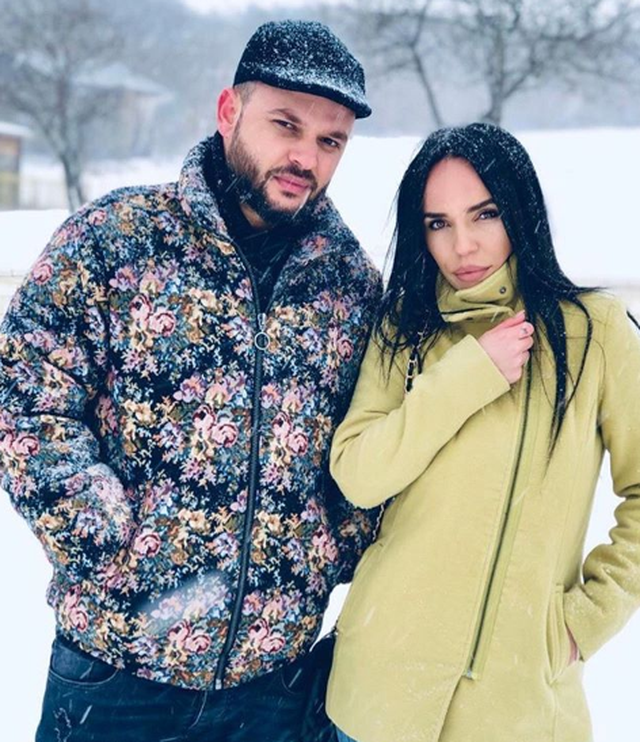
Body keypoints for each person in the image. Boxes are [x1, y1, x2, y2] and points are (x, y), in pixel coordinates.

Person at [0, 20, 382, 742]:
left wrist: (325, 552)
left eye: (330, 141)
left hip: (273, 688)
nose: (306, 157)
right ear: (229, 111)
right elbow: (25, 397)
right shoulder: (116, 238)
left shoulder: (350, 286)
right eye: (286, 125)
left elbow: (374, 435)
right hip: (116, 675)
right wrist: (109, 546)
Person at [325, 122, 640, 742]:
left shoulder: (595, 332)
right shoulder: (404, 327)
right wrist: (467, 375)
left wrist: (585, 620)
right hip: (379, 696)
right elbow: (358, 475)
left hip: (519, 708)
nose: (462, 246)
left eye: (485, 214)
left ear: (520, 211)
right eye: (437, 223)